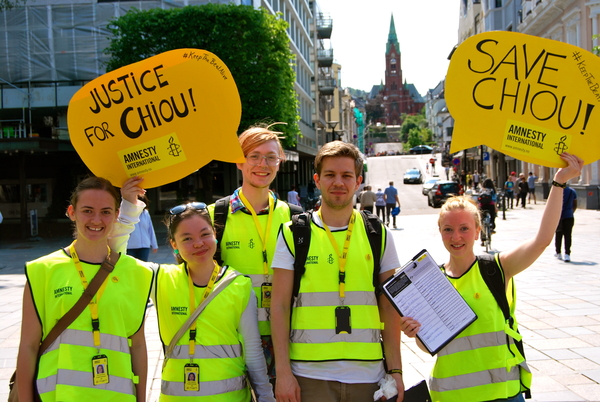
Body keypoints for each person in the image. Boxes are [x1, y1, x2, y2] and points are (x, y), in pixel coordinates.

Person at [399, 153, 583, 402]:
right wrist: (416, 333)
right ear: (440, 232)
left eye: (464, 228)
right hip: (450, 395)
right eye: (448, 229)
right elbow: (431, 346)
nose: (456, 237)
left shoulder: (497, 268)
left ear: (477, 231)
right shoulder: (430, 281)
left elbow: (542, 240)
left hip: (502, 394)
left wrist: (560, 181)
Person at [271, 141, 404, 402]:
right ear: (317, 180)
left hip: (368, 375)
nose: (338, 182)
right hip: (308, 376)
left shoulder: (377, 233)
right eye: (330, 175)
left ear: (358, 181)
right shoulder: (293, 233)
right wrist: (283, 372)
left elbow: (389, 307)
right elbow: (279, 306)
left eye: (346, 175)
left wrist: (396, 370)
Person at [16, 176, 154, 402]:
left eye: (106, 212)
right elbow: (28, 346)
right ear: (72, 212)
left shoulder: (137, 272)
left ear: (116, 215)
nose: (96, 219)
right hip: (57, 396)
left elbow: (138, 346)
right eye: (87, 211)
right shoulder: (42, 269)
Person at [207, 124, 301, 380]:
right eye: (254, 156)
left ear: (279, 163)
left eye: (271, 157)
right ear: (239, 162)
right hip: (232, 336)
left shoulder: (296, 218)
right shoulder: (215, 216)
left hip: (286, 337)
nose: (263, 164)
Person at [157, 202, 275, 401]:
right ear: (173, 244)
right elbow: (113, 258)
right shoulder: (160, 279)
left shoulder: (238, 285)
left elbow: (253, 351)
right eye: (187, 238)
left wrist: (266, 397)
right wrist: (129, 208)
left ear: (215, 234)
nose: (198, 243)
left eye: (204, 234)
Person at [127, 194, 158, 262]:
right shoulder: (127, 213)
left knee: (143, 267)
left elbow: (150, 229)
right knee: (132, 267)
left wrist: (154, 244)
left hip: (144, 246)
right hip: (130, 247)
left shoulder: (146, 213)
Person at [555, 183, 577, 262]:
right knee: (568, 235)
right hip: (569, 216)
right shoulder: (572, 191)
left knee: (558, 234)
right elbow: (575, 204)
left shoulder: (556, 191)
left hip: (558, 217)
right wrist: (570, 212)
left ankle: (558, 252)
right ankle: (567, 254)